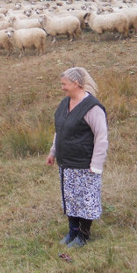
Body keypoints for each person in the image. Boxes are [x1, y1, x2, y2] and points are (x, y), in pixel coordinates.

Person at [46, 67, 108, 248]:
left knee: (86, 200)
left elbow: (101, 138)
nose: (62, 88)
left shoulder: (93, 108)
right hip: (66, 163)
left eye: (64, 84)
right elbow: (60, 130)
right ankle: (72, 231)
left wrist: (96, 165)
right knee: (71, 199)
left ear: (76, 84)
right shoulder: (65, 103)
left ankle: (83, 235)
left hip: (85, 164)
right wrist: (53, 152)